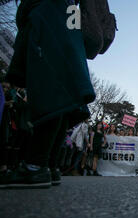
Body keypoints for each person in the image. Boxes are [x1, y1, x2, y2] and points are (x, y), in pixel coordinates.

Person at [5, 0, 96, 188]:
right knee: (63, 92)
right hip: (67, 14)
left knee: (50, 89)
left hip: (51, 11)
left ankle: (35, 165)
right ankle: (48, 164)